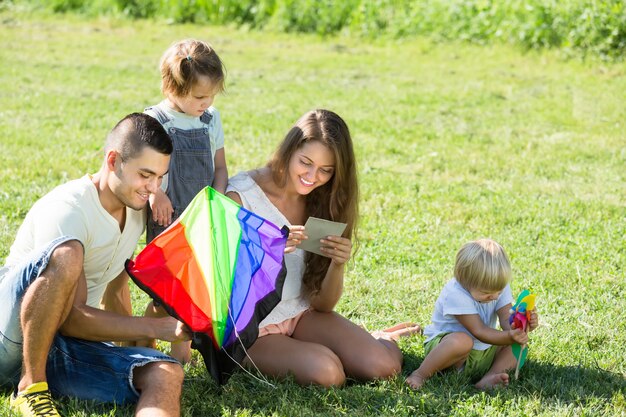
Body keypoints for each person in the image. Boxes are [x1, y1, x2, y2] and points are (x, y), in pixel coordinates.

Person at [0, 113, 190, 417]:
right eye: (145, 175)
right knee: (69, 254)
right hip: (10, 337)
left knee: (165, 371)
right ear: (113, 161)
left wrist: (141, 348)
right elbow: (73, 318)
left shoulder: (136, 210)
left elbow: (115, 290)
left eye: (159, 177)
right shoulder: (69, 209)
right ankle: (31, 388)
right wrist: (156, 326)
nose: (152, 188)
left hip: (60, 348)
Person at [226, 109, 420, 386]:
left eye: (325, 171)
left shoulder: (324, 200)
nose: (312, 176)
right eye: (305, 162)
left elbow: (321, 303)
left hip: (303, 314)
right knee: (328, 373)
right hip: (252, 328)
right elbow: (219, 284)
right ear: (289, 150)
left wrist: (337, 264)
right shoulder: (239, 195)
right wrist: (269, 250)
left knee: (384, 366)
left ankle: (382, 339)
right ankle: (327, 350)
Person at [141, 39, 228, 363]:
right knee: (165, 296)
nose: (207, 102)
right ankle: (141, 343)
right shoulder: (155, 121)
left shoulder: (210, 120)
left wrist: (216, 200)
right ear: (171, 89)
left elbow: (220, 168)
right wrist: (156, 193)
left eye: (212, 96)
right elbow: (144, 171)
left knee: (193, 292)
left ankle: (181, 359)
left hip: (201, 220)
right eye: (200, 96)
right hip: (168, 219)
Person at [405, 238, 539, 391]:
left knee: (517, 347)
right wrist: (508, 336)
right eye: (486, 293)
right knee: (462, 341)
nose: (495, 296)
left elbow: (505, 319)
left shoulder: (496, 285)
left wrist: (519, 328)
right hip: (450, 355)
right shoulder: (456, 294)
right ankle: (420, 374)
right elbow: (479, 330)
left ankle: (490, 376)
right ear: (464, 281)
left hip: (484, 353)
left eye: (499, 291)